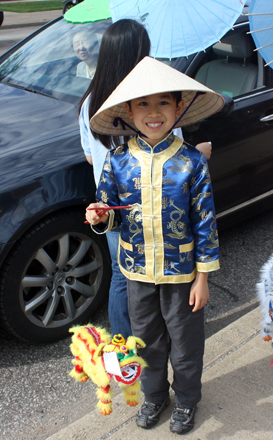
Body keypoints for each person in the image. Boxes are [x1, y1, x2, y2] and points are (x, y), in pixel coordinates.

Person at [85, 56, 223, 434]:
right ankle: (154, 396)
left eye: (163, 102)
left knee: (185, 343)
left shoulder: (192, 162)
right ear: (128, 111)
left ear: (179, 108)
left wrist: (203, 277)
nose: (153, 112)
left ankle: (187, 401)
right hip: (137, 271)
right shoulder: (116, 161)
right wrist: (101, 215)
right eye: (143, 104)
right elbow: (111, 211)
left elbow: (205, 221)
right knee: (146, 341)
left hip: (182, 274)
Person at [78, 19, 212, 339]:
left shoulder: (90, 104)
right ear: (139, 55)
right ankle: (160, 338)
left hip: (111, 207)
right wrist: (201, 153)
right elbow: (174, 157)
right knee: (157, 278)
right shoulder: (154, 100)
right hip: (155, 208)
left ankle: (126, 351)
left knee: (122, 278)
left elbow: (88, 155)